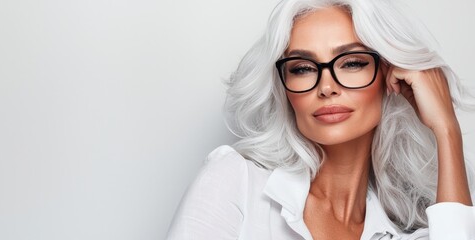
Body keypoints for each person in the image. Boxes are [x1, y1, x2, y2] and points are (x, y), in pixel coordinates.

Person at [167, 0, 475, 239]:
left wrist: (447, 130)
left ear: (390, 76)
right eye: (302, 68)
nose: (326, 87)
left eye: (352, 63)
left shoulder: (408, 229)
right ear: (283, 87)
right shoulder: (236, 181)